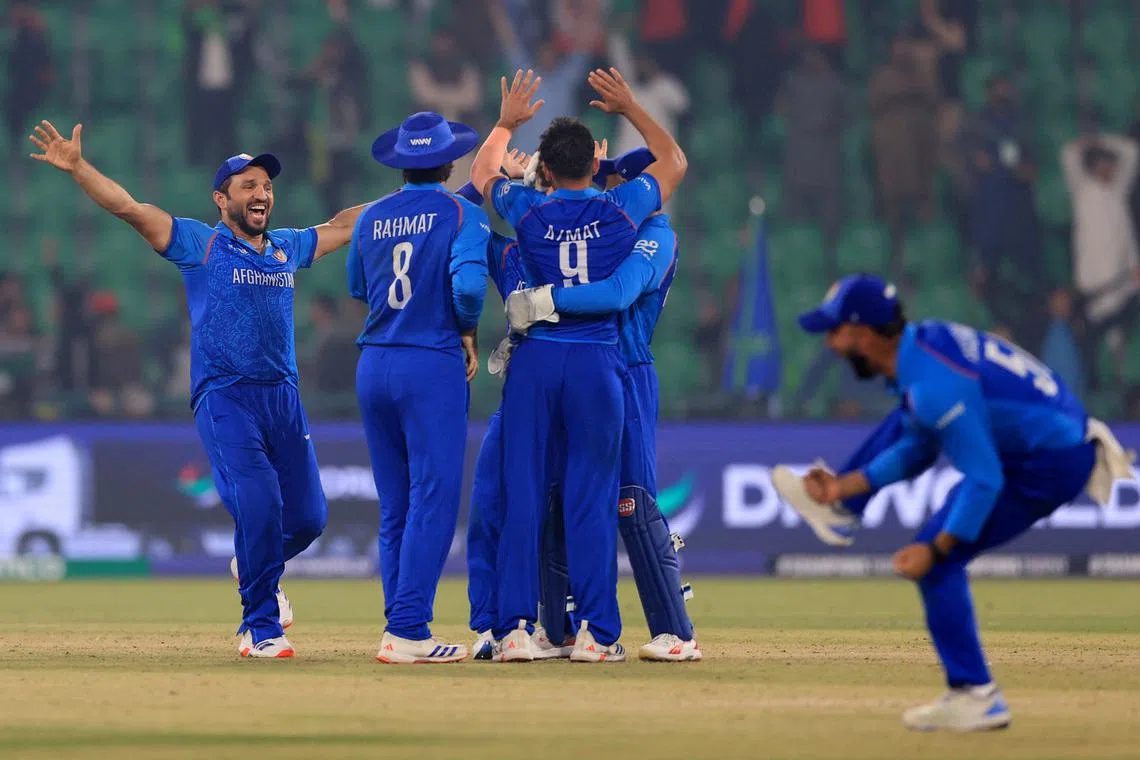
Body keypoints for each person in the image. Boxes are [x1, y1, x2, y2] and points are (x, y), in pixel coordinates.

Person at [29, 119, 366, 658]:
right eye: (249, 186)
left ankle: (255, 566)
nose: (262, 194)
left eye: (267, 186)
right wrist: (79, 168)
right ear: (222, 198)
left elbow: (345, 225)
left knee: (308, 519)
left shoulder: (286, 247)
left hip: (282, 396)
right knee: (258, 507)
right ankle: (261, 629)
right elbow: (131, 209)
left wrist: (413, 199)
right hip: (226, 396)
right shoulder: (200, 243)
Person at [769, 274, 1130, 730]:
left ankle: (976, 697)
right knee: (937, 547)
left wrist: (936, 547)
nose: (830, 344)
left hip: (1049, 462)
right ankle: (972, 693)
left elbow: (984, 481)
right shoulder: (924, 347)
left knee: (939, 561)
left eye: (834, 332)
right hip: (1046, 446)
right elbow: (918, 446)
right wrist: (845, 487)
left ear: (861, 334)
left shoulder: (935, 387)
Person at [469, 67, 687, 663]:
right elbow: (673, 160)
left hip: (536, 360)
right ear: (595, 162)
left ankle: (514, 631)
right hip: (597, 360)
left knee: (523, 492)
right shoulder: (624, 209)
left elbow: (483, 173)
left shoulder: (529, 212)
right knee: (591, 496)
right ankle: (598, 635)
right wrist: (631, 105)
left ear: (548, 167)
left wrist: (506, 121)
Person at [507, 146, 700, 662]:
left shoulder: (654, 238)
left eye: (616, 182)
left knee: (630, 501)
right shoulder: (608, 232)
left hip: (627, 371)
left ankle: (676, 630)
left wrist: (546, 300)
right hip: (588, 369)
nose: (609, 192)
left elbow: (615, 292)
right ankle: (560, 627)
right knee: (559, 502)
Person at [347, 111, 489, 664]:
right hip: (429, 363)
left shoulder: (371, 216)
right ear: (450, 162)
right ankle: (408, 629)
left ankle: (397, 626)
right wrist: (466, 328)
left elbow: (359, 285)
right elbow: (472, 287)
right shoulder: (462, 213)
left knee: (396, 505)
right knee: (433, 498)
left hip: (374, 363)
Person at [1062, 133, 1140, 389]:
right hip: (1094, 294)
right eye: (1104, 162)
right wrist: (1089, 143)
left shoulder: (1117, 191)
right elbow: (1068, 156)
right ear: (1094, 165)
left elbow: (1131, 152)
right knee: (1097, 359)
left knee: (1123, 352)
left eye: (1111, 163)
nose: (1110, 168)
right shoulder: (1083, 191)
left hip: (1123, 288)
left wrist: (1103, 140)